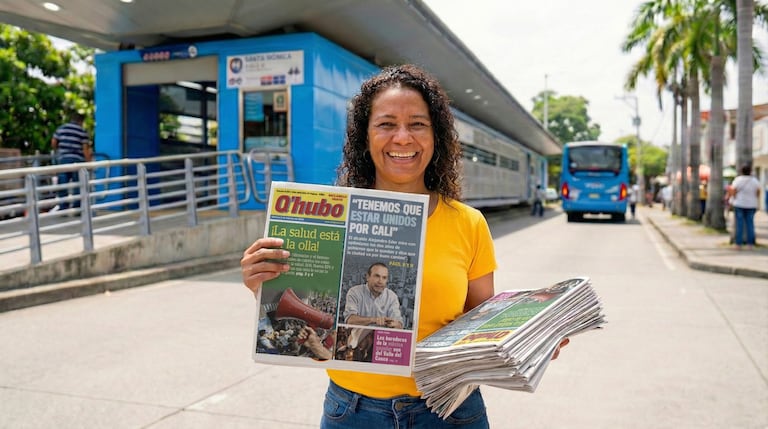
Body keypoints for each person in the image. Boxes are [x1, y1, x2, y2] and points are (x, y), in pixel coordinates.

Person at [241, 64, 568, 428]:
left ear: (435, 136)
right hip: (352, 413)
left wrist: (527, 338)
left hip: (450, 411)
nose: (402, 138)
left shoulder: (469, 223)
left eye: (417, 124)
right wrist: (263, 283)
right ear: (365, 137)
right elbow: (321, 333)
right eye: (386, 124)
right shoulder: (329, 218)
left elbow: (480, 324)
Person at [344, 262, 404, 329]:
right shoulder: (355, 292)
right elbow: (350, 321)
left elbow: (399, 325)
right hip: (357, 338)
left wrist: (395, 324)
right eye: (377, 276)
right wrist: (374, 320)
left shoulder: (392, 297)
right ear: (368, 277)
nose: (380, 281)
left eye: (384, 278)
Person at [51, 112, 90, 212]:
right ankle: (77, 207)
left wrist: (59, 151)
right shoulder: (82, 131)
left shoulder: (62, 128)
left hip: (64, 159)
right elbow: (85, 149)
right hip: (77, 160)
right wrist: (89, 163)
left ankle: (63, 207)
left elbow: (54, 142)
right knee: (78, 184)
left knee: (63, 183)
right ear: (81, 121)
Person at [728, 165, 760, 250]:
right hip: (751, 204)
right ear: (750, 171)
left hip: (739, 204)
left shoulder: (738, 180)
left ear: (741, 171)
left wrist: (735, 199)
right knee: (750, 224)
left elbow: (733, 191)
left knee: (739, 225)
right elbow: (758, 192)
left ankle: (738, 244)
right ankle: (750, 244)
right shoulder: (754, 180)